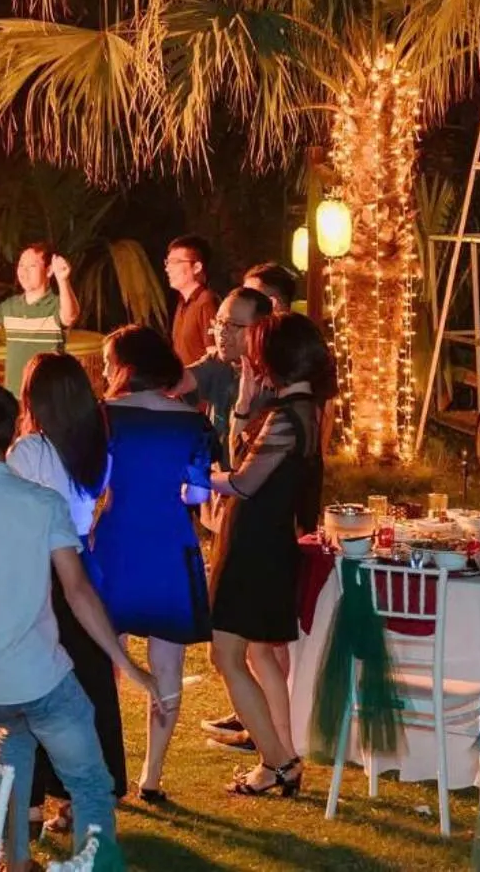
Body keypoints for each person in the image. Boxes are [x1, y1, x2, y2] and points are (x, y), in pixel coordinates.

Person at [0, 382, 156, 872]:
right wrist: (127, 662)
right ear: (14, 430)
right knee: (87, 782)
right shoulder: (42, 504)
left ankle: (16, 860)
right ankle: (95, 864)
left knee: (14, 736)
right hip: (39, 679)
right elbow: (79, 593)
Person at [206, 312, 329, 798]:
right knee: (255, 652)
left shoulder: (285, 416)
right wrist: (243, 405)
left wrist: (197, 481)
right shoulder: (303, 408)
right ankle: (281, 757)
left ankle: (276, 762)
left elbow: (241, 479)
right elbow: (246, 460)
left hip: (254, 545)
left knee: (226, 654)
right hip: (266, 542)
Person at [91, 324, 213, 801]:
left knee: (106, 658)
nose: (103, 370)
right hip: (169, 544)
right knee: (167, 663)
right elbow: (199, 492)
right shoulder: (192, 421)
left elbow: (93, 484)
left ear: (125, 366)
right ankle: (152, 775)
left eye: (107, 361)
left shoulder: (104, 417)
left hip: (117, 542)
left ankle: (104, 767)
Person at [8, 353, 126, 813]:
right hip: (83, 562)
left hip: (44, 568)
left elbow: (17, 515)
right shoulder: (95, 448)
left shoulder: (30, 450)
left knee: (42, 684)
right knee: (92, 681)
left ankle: (42, 794)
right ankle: (91, 789)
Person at [0, 243, 80, 394]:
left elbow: (70, 316)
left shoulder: (57, 304)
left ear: (49, 270)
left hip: (48, 397)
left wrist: (63, 280)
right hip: (15, 396)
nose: (24, 272)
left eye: (32, 266)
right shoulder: (10, 306)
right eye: (21, 265)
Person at [184, 287, 274, 457]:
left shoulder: (274, 384)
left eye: (233, 325)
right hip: (217, 479)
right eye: (219, 322)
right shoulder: (218, 363)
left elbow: (246, 472)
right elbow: (177, 383)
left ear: (260, 331)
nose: (222, 332)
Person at [166, 234, 221, 366]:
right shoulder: (182, 303)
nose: (168, 269)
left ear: (197, 267)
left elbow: (214, 355)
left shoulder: (206, 301)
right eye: (167, 262)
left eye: (175, 262)